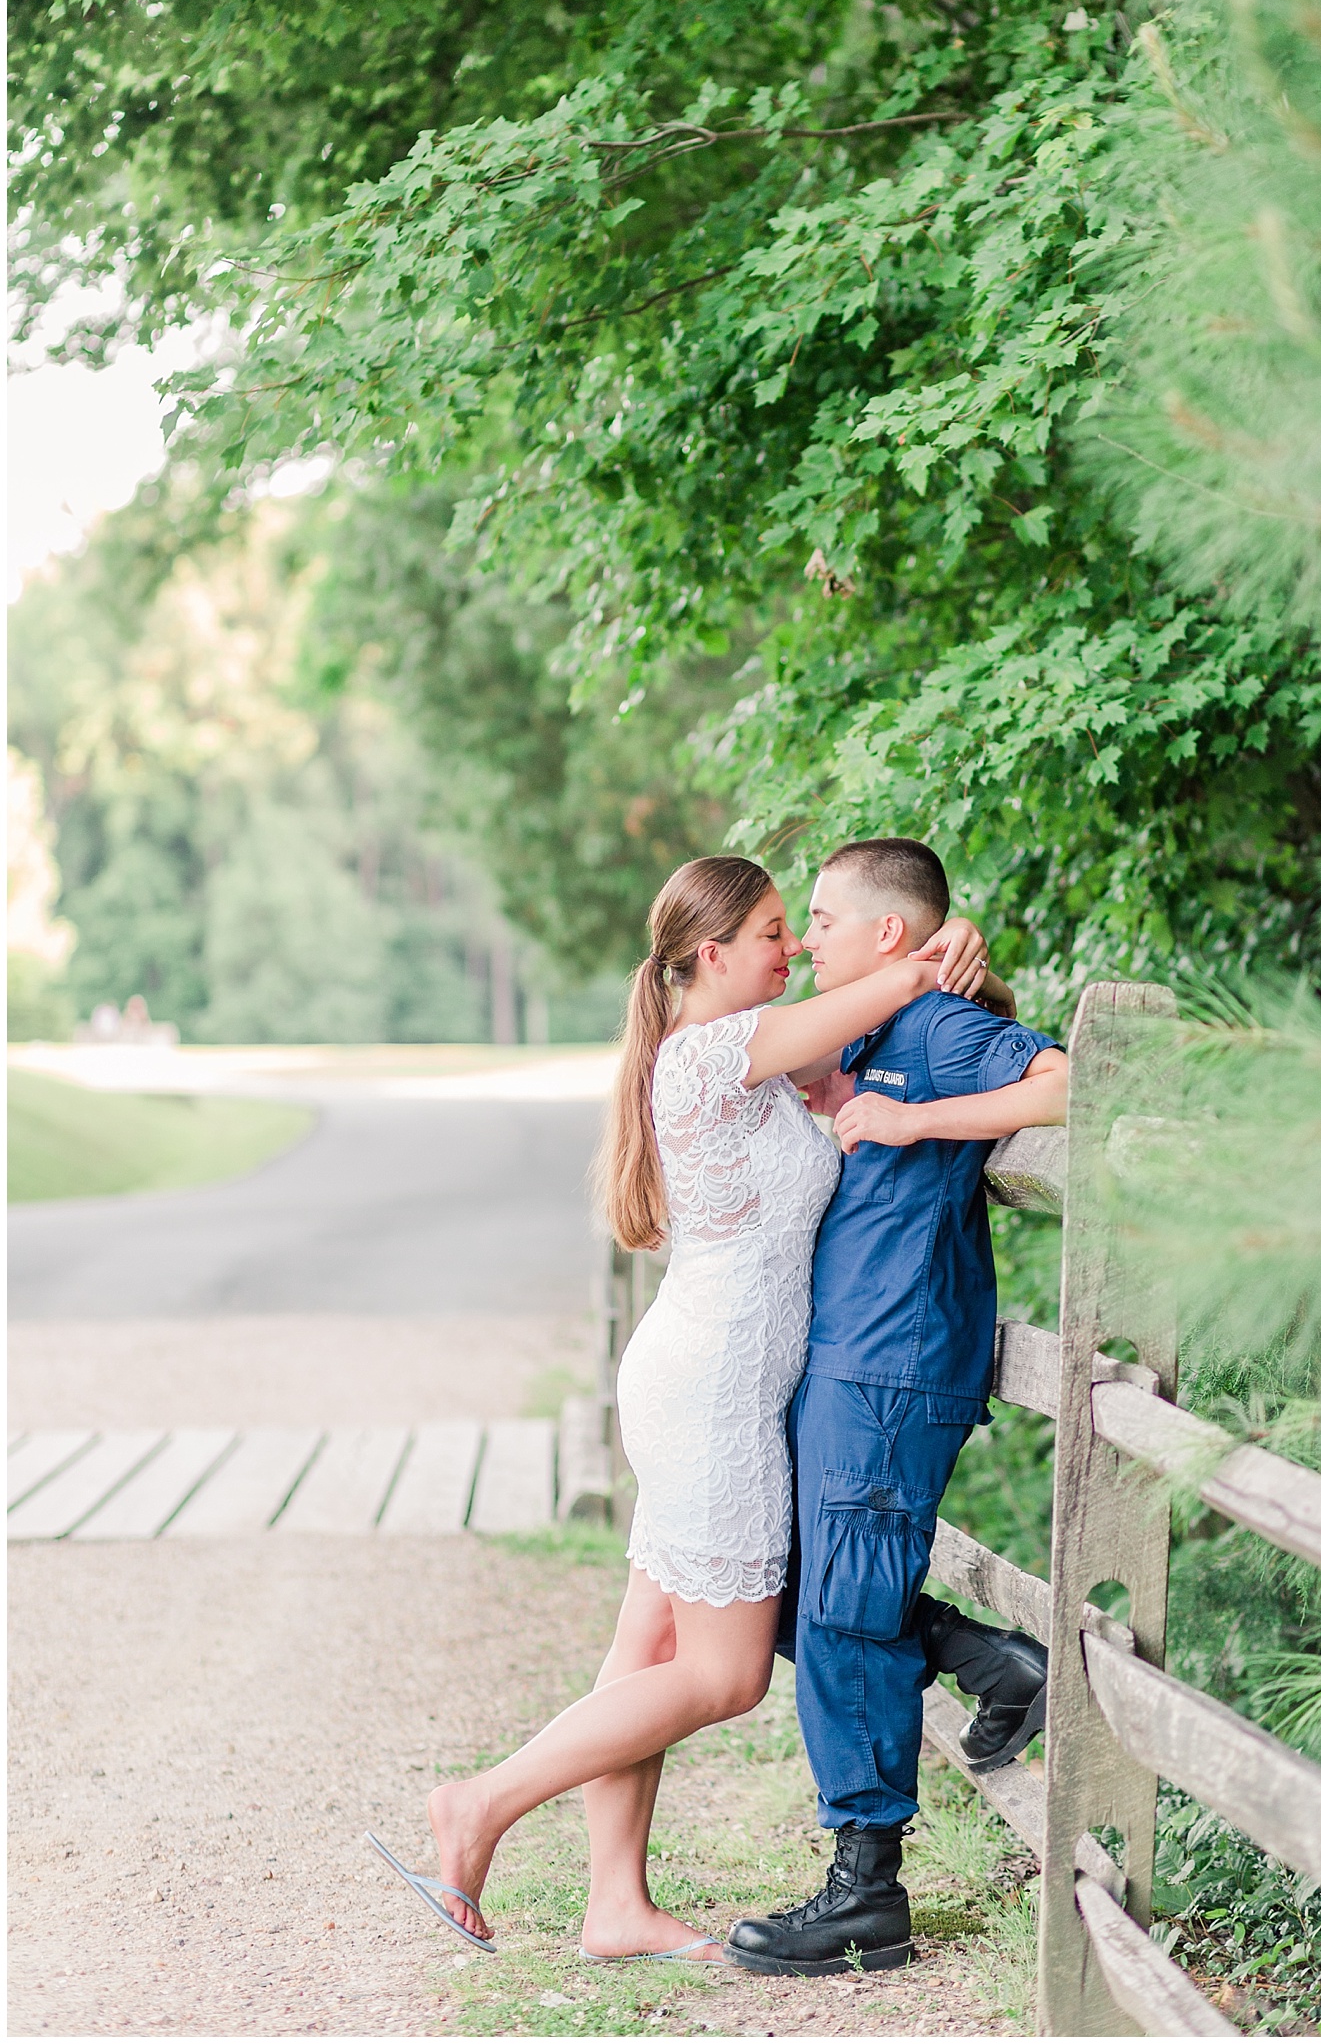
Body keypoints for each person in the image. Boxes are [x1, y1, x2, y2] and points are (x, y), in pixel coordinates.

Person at [367, 852, 1000, 1958]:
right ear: (711, 955)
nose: (791, 947)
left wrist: (943, 966)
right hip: (712, 1393)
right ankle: (478, 1805)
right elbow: (887, 983)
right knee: (724, 1673)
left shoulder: (748, 1059)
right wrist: (936, 951)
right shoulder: (714, 1049)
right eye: (770, 929)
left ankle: (615, 1903)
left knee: (645, 1647)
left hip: (708, 1377)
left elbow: (868, 1044)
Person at [725, 838, 1067, 1978]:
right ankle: (987, 1656)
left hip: (894, 1359)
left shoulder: (936, 1031)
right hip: (844, 1358)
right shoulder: (871, 1025)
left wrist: (915, 1122)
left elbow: (1066, 1082)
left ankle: (866, 1889)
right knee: (780, 1588)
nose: (807, 936)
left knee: (836, 1608)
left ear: (888, 931)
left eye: (821, 917)